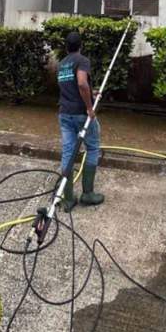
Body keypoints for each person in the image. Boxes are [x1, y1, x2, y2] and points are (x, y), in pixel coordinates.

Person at [57, 30, 104, 210]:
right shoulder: (82, 60)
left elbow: (70, 88)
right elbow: (81, 83)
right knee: (92, 147)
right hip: (80, 114)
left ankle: (68, 199)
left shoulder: (62, 64)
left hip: (64, 113)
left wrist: (91, 92)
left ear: (66, 47)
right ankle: (88, 194)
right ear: (81, 45)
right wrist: (90, 107)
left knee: (68, 152)